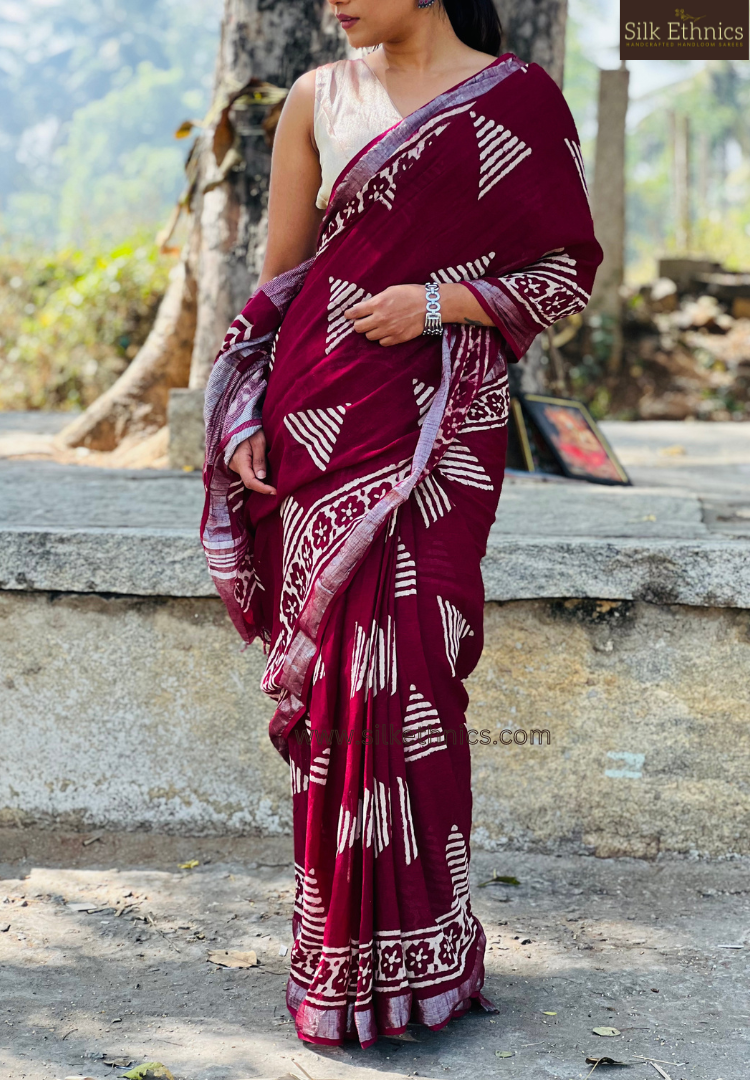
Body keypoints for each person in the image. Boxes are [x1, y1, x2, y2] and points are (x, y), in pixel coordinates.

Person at [201, 0, 602, 1048]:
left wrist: (438, 303)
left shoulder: (515, 102)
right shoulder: (315, 97)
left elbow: (564, 271)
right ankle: (336, 962)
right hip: (316, 421)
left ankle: (425, 954)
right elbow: (279, 286)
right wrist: (240, 406)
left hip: (433, 429)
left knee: (417, 672)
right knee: (336, 691)